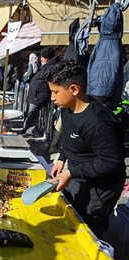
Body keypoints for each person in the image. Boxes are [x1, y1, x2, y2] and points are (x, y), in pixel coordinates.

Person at [46, 60, 126, 239]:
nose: (52, 98)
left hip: (100, 189)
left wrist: (71, 173)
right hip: (77, 176)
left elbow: (112, 162)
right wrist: (61, 158)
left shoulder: (98, 122)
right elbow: (69, 137)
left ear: (74, 89)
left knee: (87, 231)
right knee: (71, 216)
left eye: (55, 92)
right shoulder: (67, 108)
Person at [22, 46, 60, 137]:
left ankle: (27, 130)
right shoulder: (46, 66)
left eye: (42, 57)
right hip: (36, 95)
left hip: (39, 96)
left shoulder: (50, 67)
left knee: (31, 114)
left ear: (46, 59)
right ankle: (31, 130)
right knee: (31, 114)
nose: (40, 59)